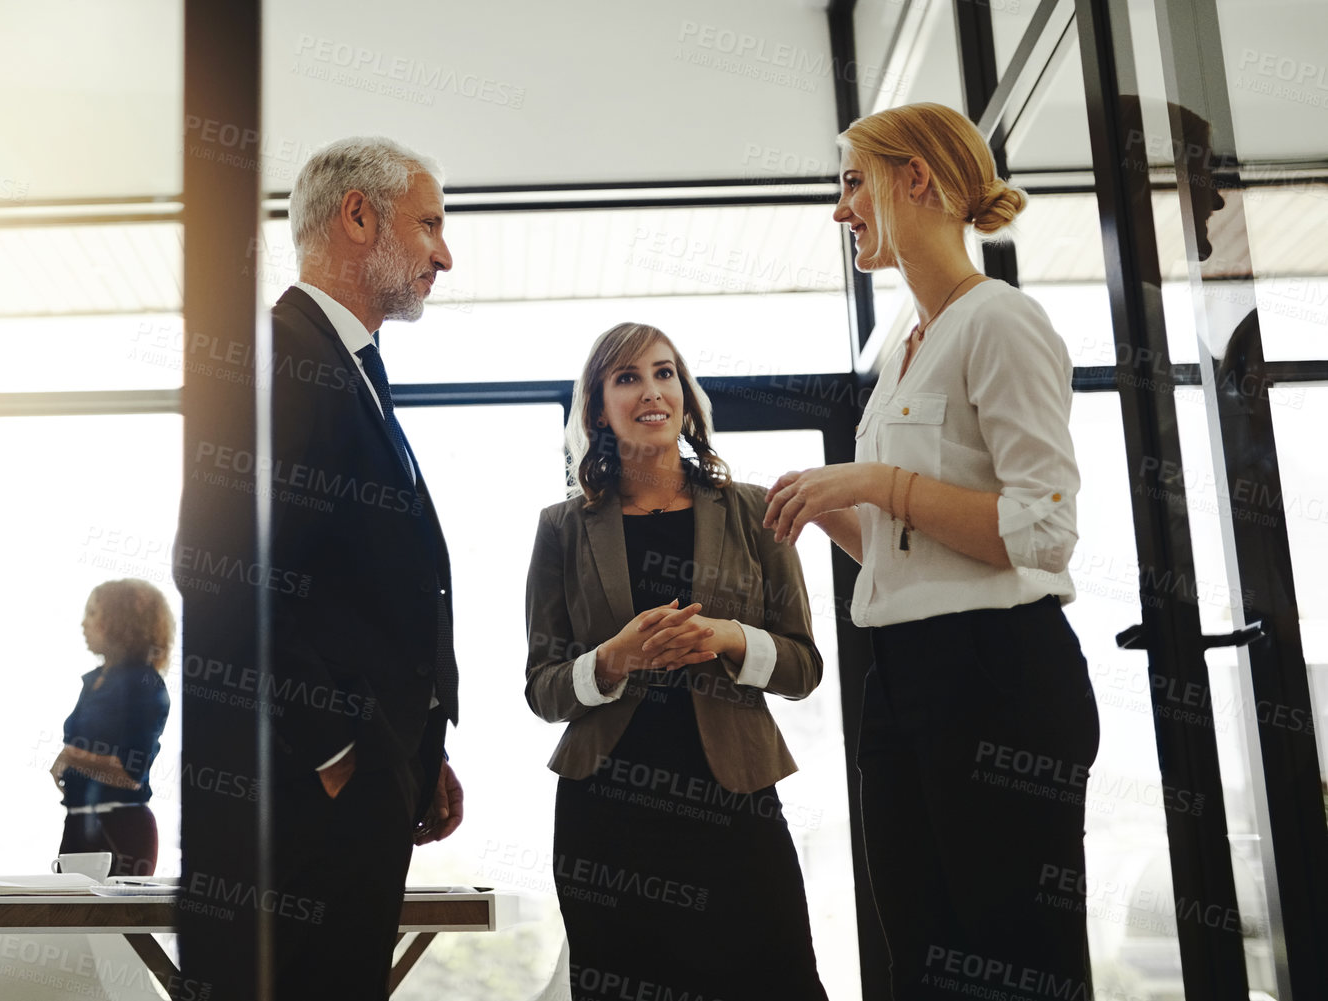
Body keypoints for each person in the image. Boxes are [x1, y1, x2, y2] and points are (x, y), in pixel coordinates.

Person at [762, 102, 1097, 1001]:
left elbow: (1040, 530)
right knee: (924, 965)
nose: (841, 211)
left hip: (995, 674)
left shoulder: (999, 321)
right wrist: (808, 501)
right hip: (900, 676)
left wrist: (874, 483)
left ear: (915, 179)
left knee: (1014, 965)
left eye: (851, 184)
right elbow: (899, 548)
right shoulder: (907, 350)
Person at [175, 135, 464, 1001]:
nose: (443, 255)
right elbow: (219, 567)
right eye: (429, 225)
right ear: (357, 216)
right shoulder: (280, 357)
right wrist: (338, 748)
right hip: (305, 797)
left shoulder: (347, 365)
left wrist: (418, 746)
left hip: (360, 785)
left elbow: (355, 589)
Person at [525, 322, 829, 1001]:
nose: (650, 390)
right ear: (598, 408)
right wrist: (612, 657)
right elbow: (542, 689)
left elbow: (802, 666)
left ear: (686, 398)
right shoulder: (561, 527)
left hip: (735, 798)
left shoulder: (753, 512)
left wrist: (727, 636)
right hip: (605, 813)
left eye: (663, 373)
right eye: (626, 378)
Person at [50, 578, 174, 877]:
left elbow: (131, 775)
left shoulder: (144, 684)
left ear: (121, 621)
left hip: (121, 831)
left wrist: (70, 757)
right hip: (78, 824)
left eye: (93, 613)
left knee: (117, 924)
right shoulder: (94, 681)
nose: (83, 623)